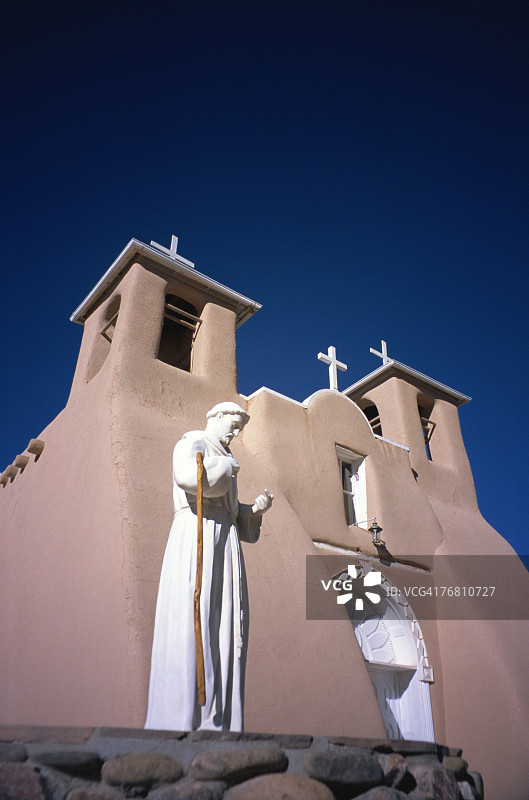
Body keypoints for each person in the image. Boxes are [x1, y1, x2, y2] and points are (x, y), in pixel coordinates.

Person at [145, 402, 273, 732]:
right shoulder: (193, 443)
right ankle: (182, 715)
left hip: (225, 540)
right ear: (213, 418)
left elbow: (230, 510)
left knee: (224, 623)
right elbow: (190, 479)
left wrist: (253, 512)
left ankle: (222, 720)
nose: (235, 433)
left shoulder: (222, 455)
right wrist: (226, 466)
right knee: (196, 616)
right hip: (196, 534)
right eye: (231, 425)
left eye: (239, 429)